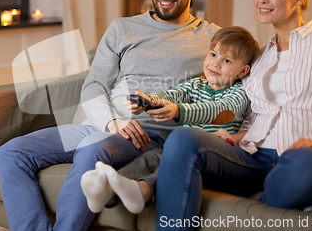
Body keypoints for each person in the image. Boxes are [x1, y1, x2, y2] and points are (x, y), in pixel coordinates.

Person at [0, 0, 220, 231]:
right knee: (9, 154)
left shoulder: (212, 38)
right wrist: (112, 122)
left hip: (148, 136)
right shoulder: (122, 28)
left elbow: (243, 72)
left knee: (90, 152)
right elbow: (93, 86)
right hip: (103, 124)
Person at [155, 0, 312, 230]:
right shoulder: (259, 57)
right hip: (250, 156)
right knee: (183, 138)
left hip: (300, 155)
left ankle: (263, 199)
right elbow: (254, 119)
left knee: (310, 165)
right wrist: (232, 136)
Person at [80, 26, 260, 214]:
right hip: (183, 151)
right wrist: (149, 100)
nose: (215, 64)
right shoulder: (196, 85)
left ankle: (141, 189)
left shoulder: (239, 93)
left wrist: (179, 111)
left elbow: (216, 111)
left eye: (227, 60)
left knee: (171, 164)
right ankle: (108, 187)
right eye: (213, 55)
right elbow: (174, 94)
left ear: (242, 71)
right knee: (153, 156)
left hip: (212, 158)